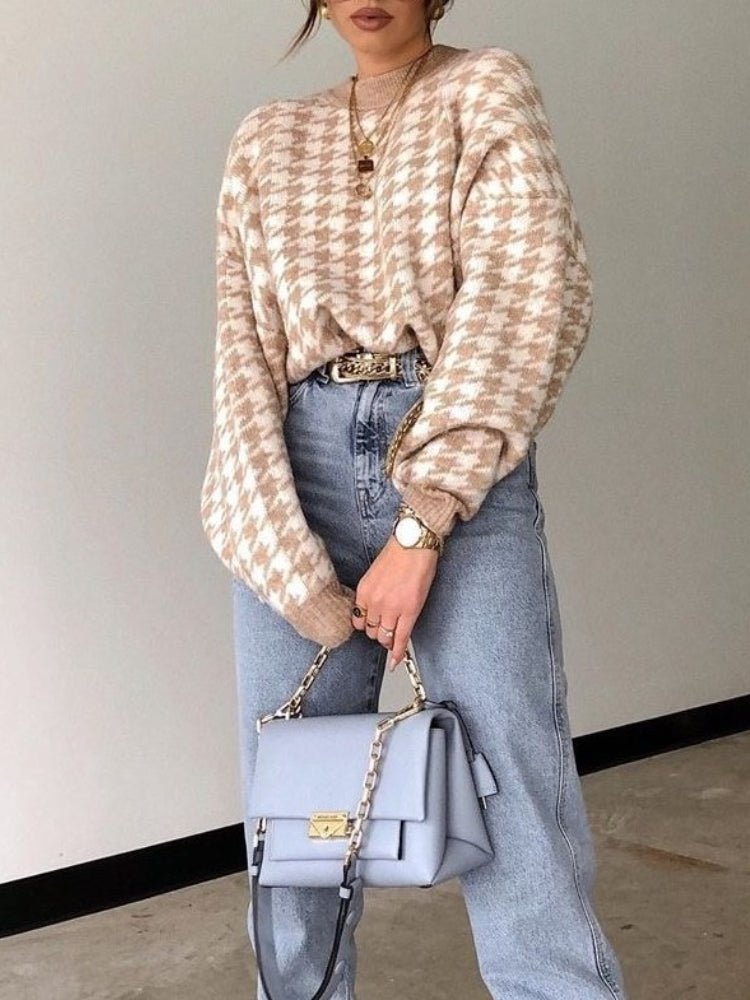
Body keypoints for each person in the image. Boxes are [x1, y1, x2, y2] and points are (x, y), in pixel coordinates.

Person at [200, 2, 630, 998]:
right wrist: (284, 561)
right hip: (297, 463)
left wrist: (425, 514)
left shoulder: (486, 89)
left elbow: (526, 295)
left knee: (513, 783)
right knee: (292, 814)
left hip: (452, 450)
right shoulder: (268, 137)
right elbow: (242, 350)